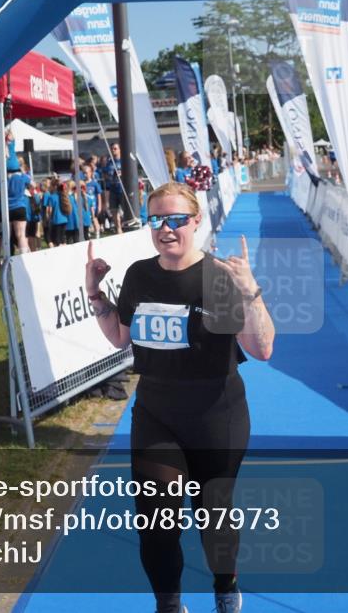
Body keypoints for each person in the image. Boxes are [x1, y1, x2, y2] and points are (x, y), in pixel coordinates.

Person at [86, 181, 274, 613]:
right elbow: (119, 337)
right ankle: (168, 605)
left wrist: (250, 292)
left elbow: (263, 348)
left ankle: (225, 586)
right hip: (157, 413)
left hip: (216, 414)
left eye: (175, 220)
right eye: (157, 220)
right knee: (155, 521)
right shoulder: (139, 275)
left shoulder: (219, 277)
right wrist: (95, 293)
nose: (165, 229)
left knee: (213, 514)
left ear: (196, 221)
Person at [7, 159, 32, 254]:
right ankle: (24, 255)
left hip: (7, 208)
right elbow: (32, 184)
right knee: (21, 235)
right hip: (19, 206)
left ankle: (7, 255)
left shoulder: (5, 177)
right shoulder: (23, 177)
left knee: (7, 235)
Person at [102, 142, 127, 234]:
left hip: (122, 189)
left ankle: (126, 225)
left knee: (125, 209)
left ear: (120, 149)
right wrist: (109, 177)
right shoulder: (109, 162)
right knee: (114, 210)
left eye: (115, 148)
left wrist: (121, 174)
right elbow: (105, 173)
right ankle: (118, 228)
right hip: (113, 189)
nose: (113, 150)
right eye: (112, 149)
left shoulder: (123, 161)